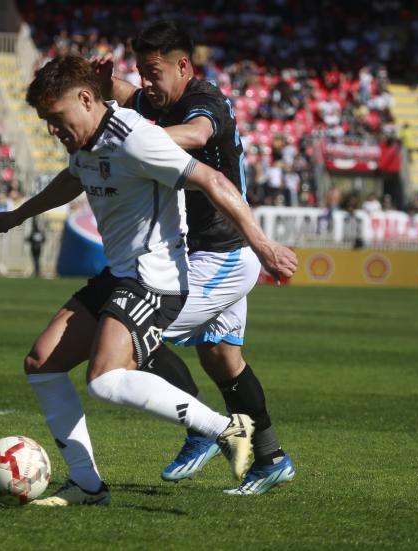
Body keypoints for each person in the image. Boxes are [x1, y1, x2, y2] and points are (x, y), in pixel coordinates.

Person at [0, 55, 297, 506]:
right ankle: (88, 485)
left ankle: (224, 429)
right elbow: (72, 181)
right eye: (45, 120)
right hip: (120, 274)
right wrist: (17, 215)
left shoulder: (136, 140)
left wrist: (264, 246)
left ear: (87, 99)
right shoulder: (87, 143)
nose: (52, 128)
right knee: (42, 362)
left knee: (106, 378)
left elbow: (211, 178)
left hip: (155, 279)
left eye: (56, 117)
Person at [93, 20, 295, 494]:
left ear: (183, 65)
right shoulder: (156, 98)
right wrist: (101, 83)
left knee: (135, 333)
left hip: (222, 253)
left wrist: (131, 139)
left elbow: (199, 135)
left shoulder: (205, 101)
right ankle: (271, 458)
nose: (145, 81)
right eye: (141, 70)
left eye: (154, 71)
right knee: (224, 359)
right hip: (207, 252)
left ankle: (200, 430)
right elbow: (125, 93)